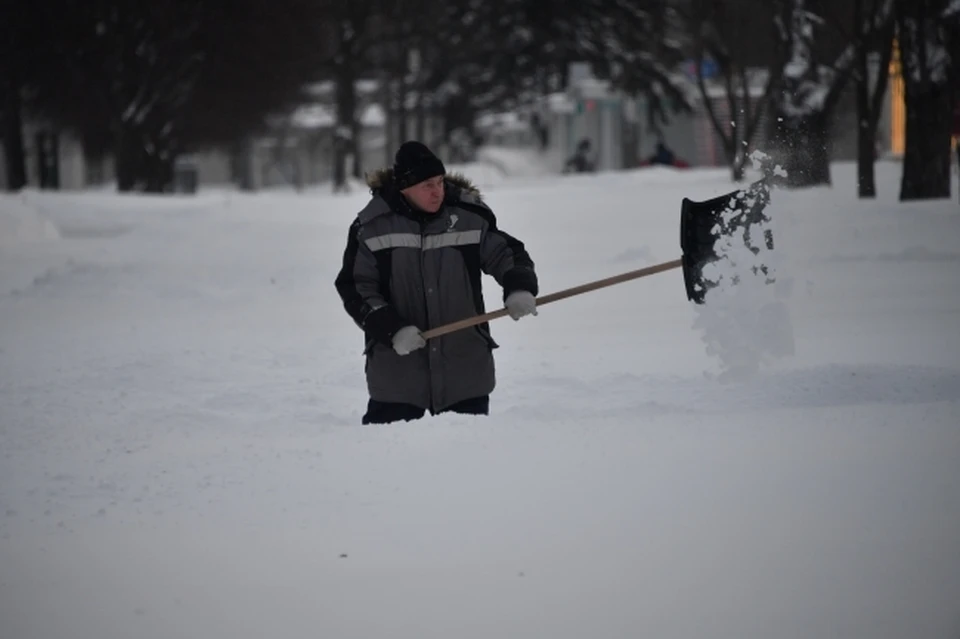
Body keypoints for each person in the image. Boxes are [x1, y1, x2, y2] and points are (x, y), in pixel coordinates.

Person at [335, 141, 539, 424]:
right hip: (398, 379)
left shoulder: (468, 219)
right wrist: (392, 329)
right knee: (387, 460)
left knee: (468, 460)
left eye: (440, 182)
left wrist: (519, 288)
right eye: (427, 185)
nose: (437, 192)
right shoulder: (372, 228)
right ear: (404, 187)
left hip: (464, 373)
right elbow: (357, 287)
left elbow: (507, 255)